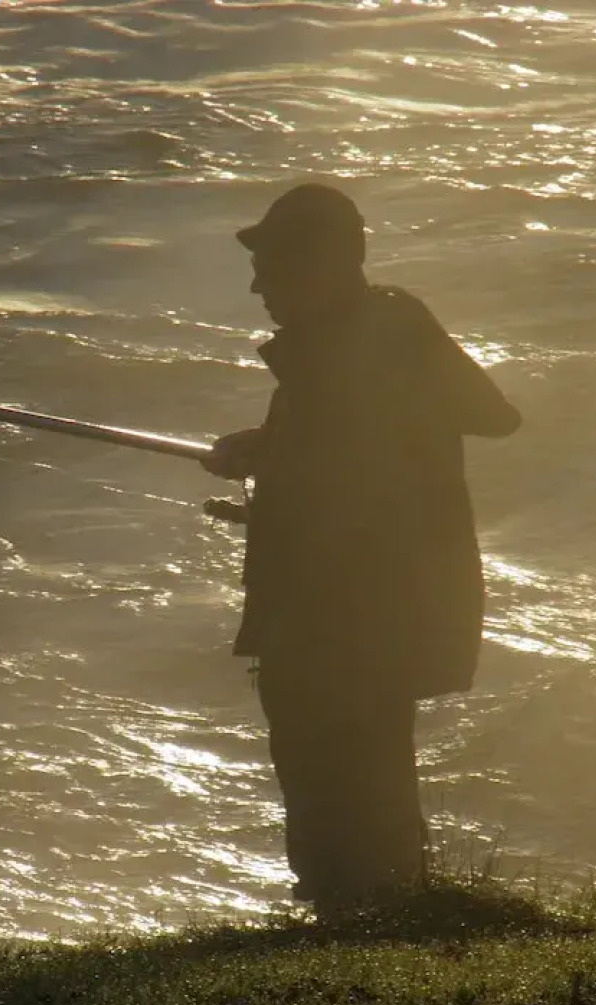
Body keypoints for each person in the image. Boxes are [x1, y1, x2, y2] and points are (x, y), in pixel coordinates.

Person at [203, 183, 521, 912]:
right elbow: (349, 451)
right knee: (341, 759)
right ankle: (359, 912)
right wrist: (272, 449)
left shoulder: (373, 342)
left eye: (274, 265)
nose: (258, 284)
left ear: (323, 265)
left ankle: (359, 913)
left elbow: (468, 427)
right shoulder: (350, 345)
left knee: (343, 760)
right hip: (347, 604)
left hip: (354, 609)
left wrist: (288, 459)